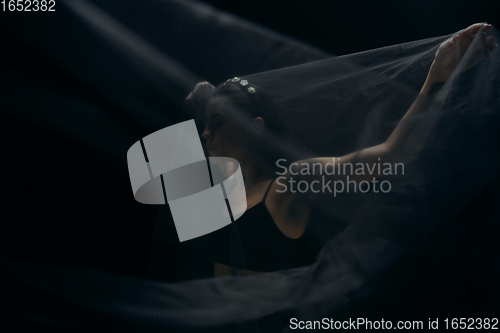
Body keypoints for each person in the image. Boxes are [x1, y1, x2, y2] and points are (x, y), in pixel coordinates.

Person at [184, 23, 496, 279]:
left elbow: (391, 155)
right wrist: (206, 101)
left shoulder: (291, 181)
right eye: (206, 124)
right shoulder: (220, 188)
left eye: (219, 123)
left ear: (255, 127)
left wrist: (438, 74)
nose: (205, 133)